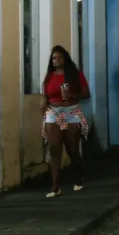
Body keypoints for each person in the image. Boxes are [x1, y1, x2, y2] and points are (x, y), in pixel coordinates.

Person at [41, 45, 90, 198]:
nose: (56, 60)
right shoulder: (49, 76)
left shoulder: (75, 75)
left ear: (65, 58)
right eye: (54, 58)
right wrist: (43, 101)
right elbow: (46, 95)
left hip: (71, 112)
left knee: (72, 148)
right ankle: (55, 186)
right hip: (54, 113)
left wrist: (73, 93)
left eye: (60, 57)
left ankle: (78, 177)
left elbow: (86, 94)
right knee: (54, 148)